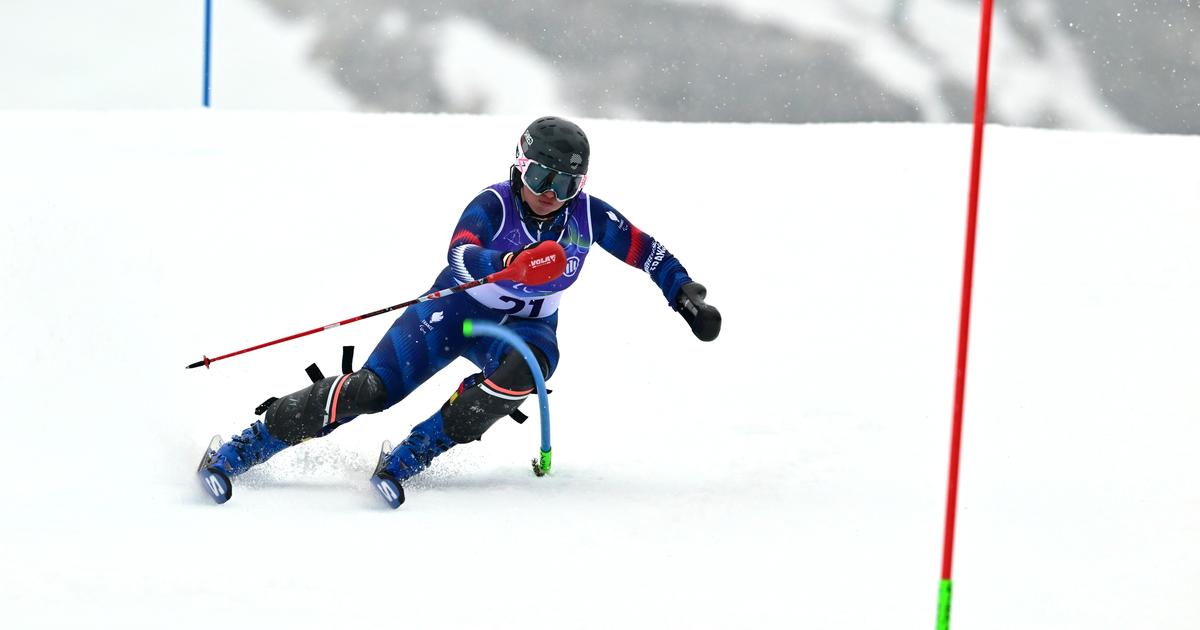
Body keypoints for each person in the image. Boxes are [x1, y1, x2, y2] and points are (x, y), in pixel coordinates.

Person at [198, 116, 721, 507]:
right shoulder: (493, 204)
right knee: (372, 392)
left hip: (525, 329)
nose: (547, 193)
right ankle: (250, 444)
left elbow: (647, 251)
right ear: (519, 164)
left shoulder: (587, 217)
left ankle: (415, 452)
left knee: (529, 369)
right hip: (453, 312)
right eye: (539, 176)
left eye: (564, 185)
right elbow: (460, 255)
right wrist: (508, 263)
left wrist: (685, 294)